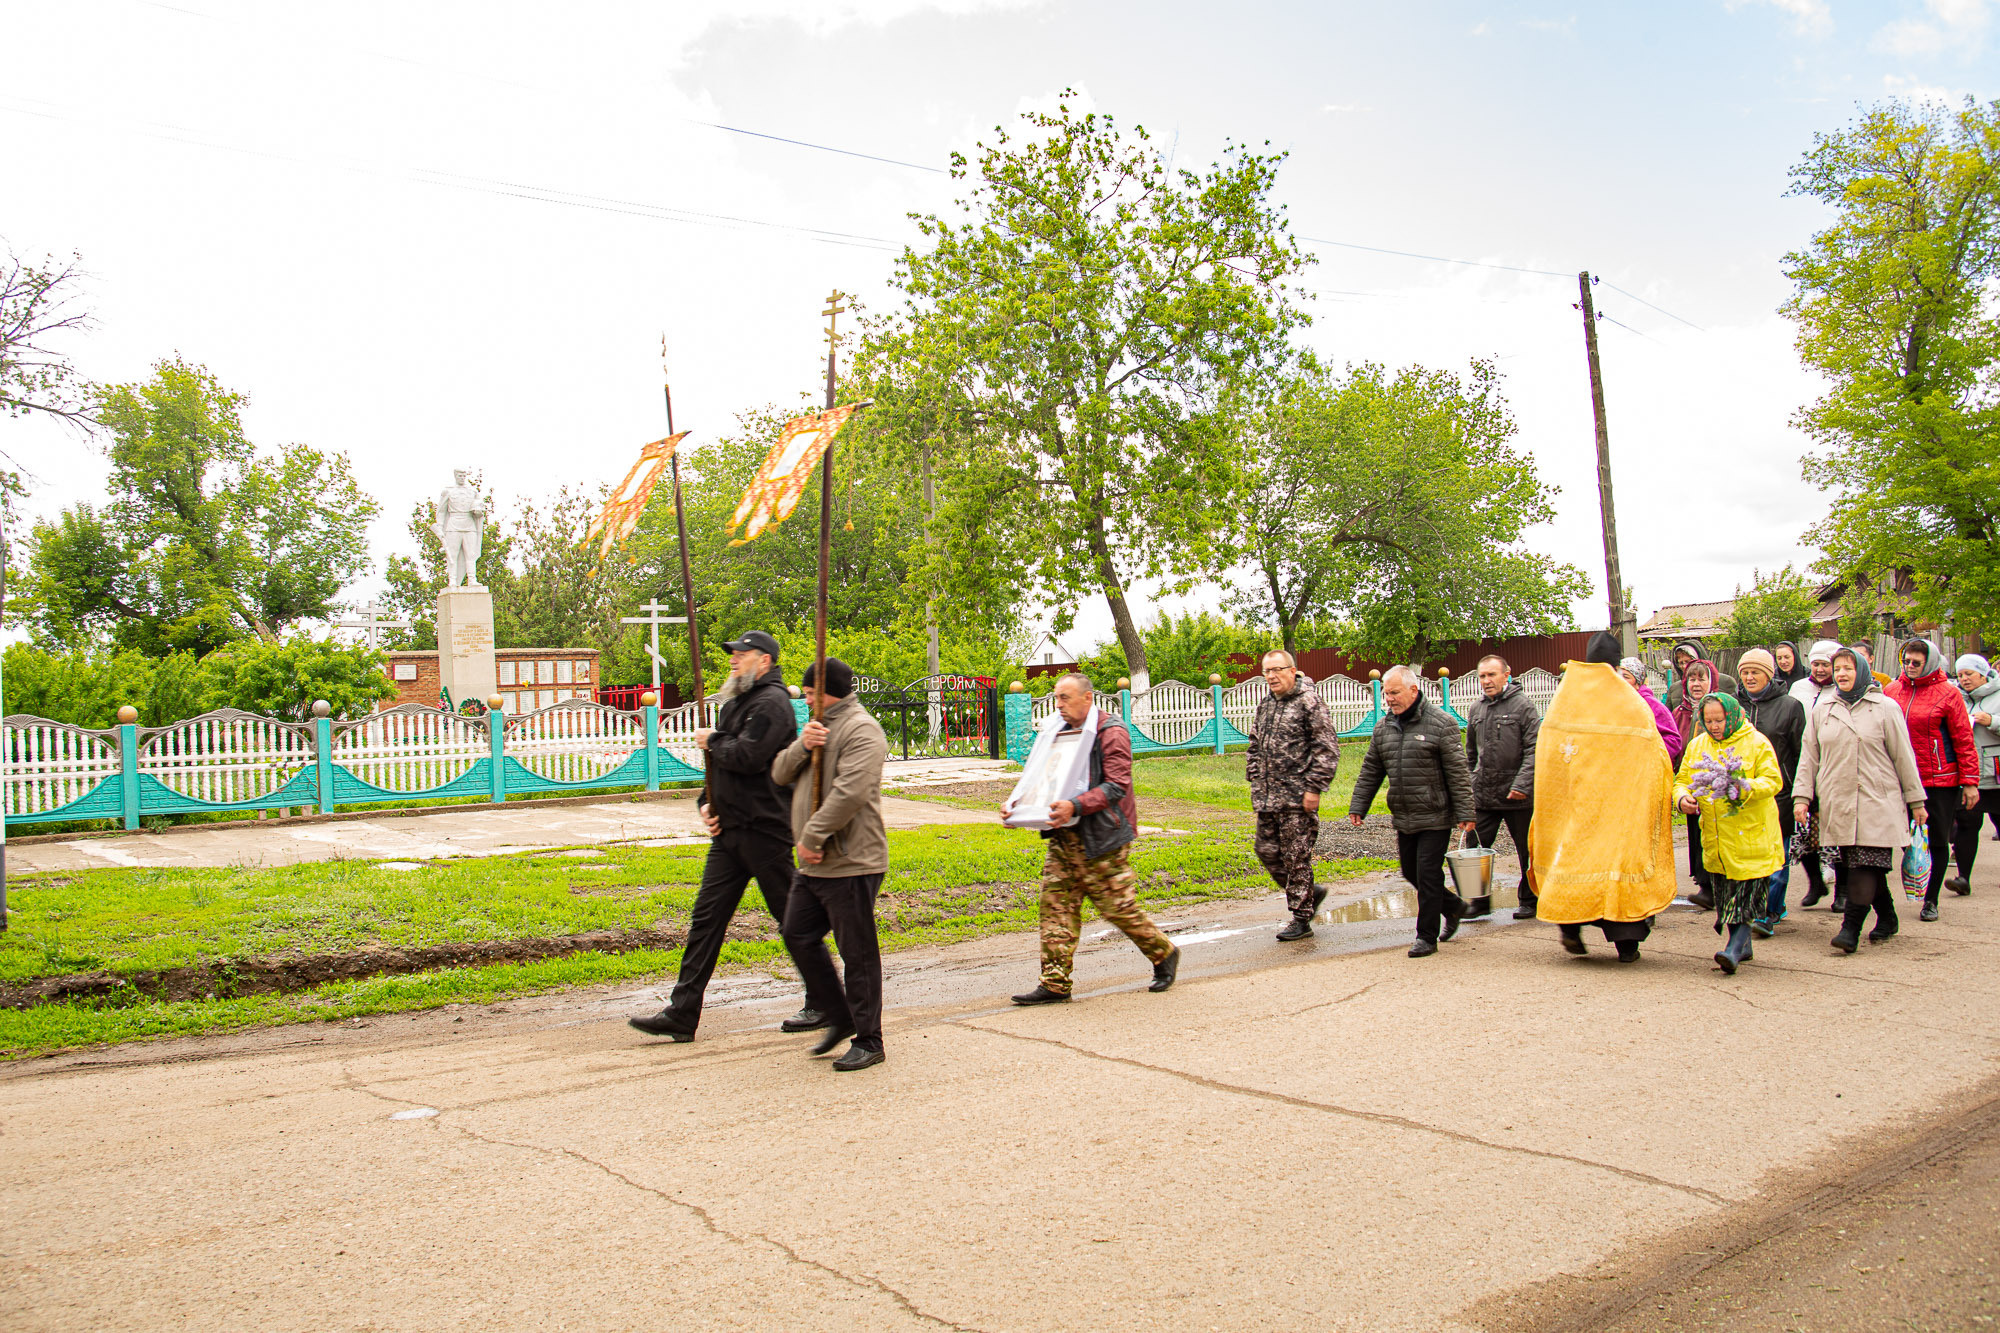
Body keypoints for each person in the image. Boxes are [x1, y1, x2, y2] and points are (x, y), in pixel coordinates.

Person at [629, 631, 826, 1042]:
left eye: (742, 654)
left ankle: (825, 1000)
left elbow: (749, 757)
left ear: (764, 660)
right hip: (730, 833)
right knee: (707, 920)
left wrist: (713, 739)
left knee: (792, 920)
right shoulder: (737, 702)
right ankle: (682, 1013)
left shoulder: (772, 704)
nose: (734, 660)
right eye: (733, 653)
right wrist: (706, 803)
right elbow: (718, 766)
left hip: (765, 831)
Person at [1007, 673, 1180, 1004]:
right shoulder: (1056, 731)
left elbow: (1116, 785)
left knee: (1116, 908)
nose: (1059, 704)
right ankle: (1055, 984)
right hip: (1064, 834)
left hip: (1103, 836)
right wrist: (1019, 806)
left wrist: (1075, 805)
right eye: (1056, 697)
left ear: (1087, 698)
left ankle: (1164, 952)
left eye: (1065, 697)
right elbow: (1042, 777)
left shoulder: (1111, 731)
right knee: (1055, 905)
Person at [770, 657, 891, 1072]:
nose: (805, 701)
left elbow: (850, 792)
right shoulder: (816, 727)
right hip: (815, 863)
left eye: (809, 694)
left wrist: (813, 836)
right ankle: (838, 1014)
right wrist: (803, 745)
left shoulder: (862, 729)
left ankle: (869, 1039)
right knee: (797, 933)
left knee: (856, 952)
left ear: (828, 693)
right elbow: (779, 773)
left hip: (852, 860)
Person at [1530, 632, 1679, 962]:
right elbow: (1655, 754)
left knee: (1573, 861)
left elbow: (1549, 752)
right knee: (1617, 868)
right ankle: (1626, 945)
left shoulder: (1565, 697)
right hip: (1616, 808)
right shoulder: (1629, 701)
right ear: (1614, 663)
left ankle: (1570, 925)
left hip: (1575, 805)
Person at [1793, 648, 1927, 953]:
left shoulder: (1885, 707)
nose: (1841, 674)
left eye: (1848, 668)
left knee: (1865, 864)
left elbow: (1904, 757)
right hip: (1838, 802)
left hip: (1878, 800)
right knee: (1861, 863)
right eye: (1837, 668)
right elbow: (1809, 757)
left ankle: (1850, 929)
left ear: (1862, 671)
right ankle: (1888, 918)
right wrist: (1802, 797)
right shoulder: (1823, 709)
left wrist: (1916, 801)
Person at [1347, 665, 1476, 958]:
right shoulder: (1384, 727)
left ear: (1413, 690)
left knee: (1428, 875)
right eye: (1386, 693)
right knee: (1411, 871)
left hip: (1435, 813)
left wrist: (1466, 812)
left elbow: (1458, 772)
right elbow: (1371, 769)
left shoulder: (1441, 724)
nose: (1388, 698)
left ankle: (1426, 937)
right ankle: (1454, 906)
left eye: (1394, 692)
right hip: (1404, 813)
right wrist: (1359, 805)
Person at [1675, 691, 1786, 975]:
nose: (1714, 726)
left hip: (1751, 835)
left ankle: (1734, 950)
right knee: (1726, 895)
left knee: (1746, 896)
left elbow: (1773, 781)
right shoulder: (1699, 745)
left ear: (1733, 716)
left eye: (1719, 720)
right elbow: (1682, 779)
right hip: (1717, 836)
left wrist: (1742, 786)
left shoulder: (1757, 742)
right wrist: (1683, 798)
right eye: (1709, 720)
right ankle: (1743, 945)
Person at [1244, 650, 1342, 941]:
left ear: (1292, 670)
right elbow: (1254, 743)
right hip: (1267, 797)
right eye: (1267, 671)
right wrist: (1254, 773)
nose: (1271, 676)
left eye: (1277, 670)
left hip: (1297, 798)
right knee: (1266, 851)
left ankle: (1301, 918)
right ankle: (1310, 894)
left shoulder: (1309, 702)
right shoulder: (1266, 704)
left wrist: (1314, 788)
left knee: (1295, 858)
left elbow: (1327, 749)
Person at [1884, 637, 1979, 921]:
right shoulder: (1892, 691)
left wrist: (1970, 781)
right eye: (1906, 661)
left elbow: (1963, 739)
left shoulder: (1948, 693)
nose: (1910, 666)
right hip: (1899, 778)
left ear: (1931, 663)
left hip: (1938, 780)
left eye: (1917, 662)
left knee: (1936, 840)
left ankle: (1931, 899)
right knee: (1906, 838)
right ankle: (1916, 881)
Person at [1733, 648, 1806, 936]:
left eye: (1755, 672)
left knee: (1777, 856)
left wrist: (1802, 793)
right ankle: (1757, 907)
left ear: (1769, 674)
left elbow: (1800, 753)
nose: (1749, 677)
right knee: (1748, 856)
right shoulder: (1733, 705)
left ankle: (1768, 911)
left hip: (1779, 794)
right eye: (1745, 672)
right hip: (1742, 793)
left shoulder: (1790, 706)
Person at [1464, 653, 1539, 921]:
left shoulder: (1524, 706)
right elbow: (1470, 754)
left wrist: (1522, 784)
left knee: (1527, 850)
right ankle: (1478, 901)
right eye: (1482, 676)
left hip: (1518, 795)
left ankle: (1530, 900)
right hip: (1485, 793)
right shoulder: (1477, 709)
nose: (1486, 681)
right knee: (1474, 848)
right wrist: (1470, 786)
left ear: (1506, 675)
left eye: (1491, 675)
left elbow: (1534, 749)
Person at [1673, 660, 1719, 909]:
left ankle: (1718, 886)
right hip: (1690, 783)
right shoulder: (1680, 712)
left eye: (1702, 678)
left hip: (1717, 785)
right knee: (1696, 836)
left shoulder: (1720, 709)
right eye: (1692, 679)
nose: (1696, 684)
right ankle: (1705, 886)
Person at [1954, 654, 2000, 888]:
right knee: (1967, 824)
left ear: (1983, 674)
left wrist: (1992, 720)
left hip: (1996, 774)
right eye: (1960, 674)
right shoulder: (1957, 698)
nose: (1964, 679)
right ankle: (1963, 878)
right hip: (1969, 776)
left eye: (1969, 673)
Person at [1619, 657, 1685, 765]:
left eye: (1626, 676)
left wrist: (1646, 756)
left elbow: (1673, 741)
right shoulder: (1616, 704)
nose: (1620, 680)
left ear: (1638, 683)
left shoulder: (1651, 705)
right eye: (1618, 676)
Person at [1665, 639, 1739, 709]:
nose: (1684, 666)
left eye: (1688, 662)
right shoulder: (1675, 689)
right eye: (1681, 663)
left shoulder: (1726, 682)